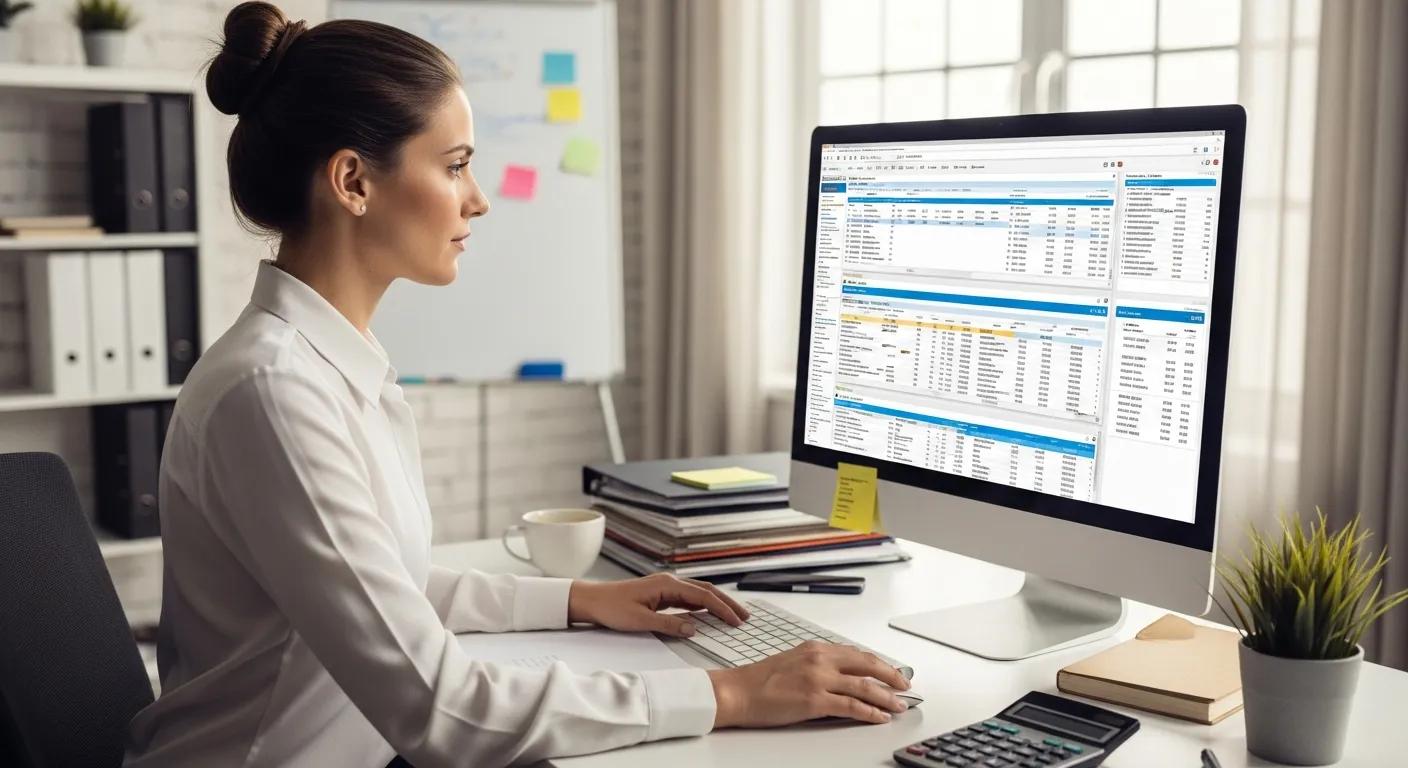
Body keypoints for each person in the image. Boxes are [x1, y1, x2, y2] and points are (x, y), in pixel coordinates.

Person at [122, 3, 911, 766]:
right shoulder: (273, 392)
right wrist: (730, 694)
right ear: (354, 181)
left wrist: (576, 599)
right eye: (455, 165)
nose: (479, 198)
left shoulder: (326, 361)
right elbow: (442, 712)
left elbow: (382, 591)